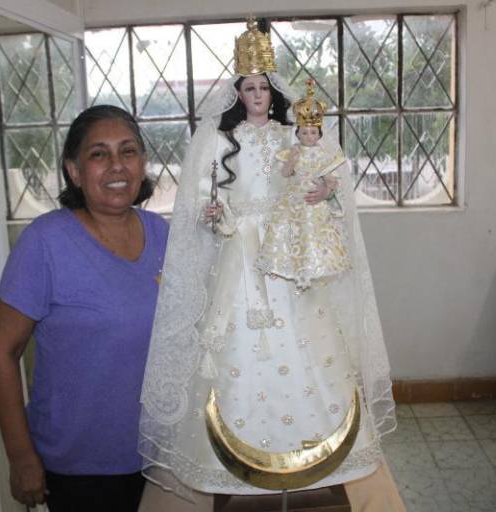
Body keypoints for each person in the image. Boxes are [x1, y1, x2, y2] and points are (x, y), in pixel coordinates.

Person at [138, 20, 403, 511]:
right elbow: (202, 201)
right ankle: (232, 464)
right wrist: (215, 215)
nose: (257, 95)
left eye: (263, 87)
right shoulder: (221, 139)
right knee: (237, 350)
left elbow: (326, 181)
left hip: (288, 252)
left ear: (271, 90)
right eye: (249, 88)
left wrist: (323, 192)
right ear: (238, 92)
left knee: (311, 347)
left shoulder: (293, 135)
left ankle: (316, 454)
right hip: (240, 255)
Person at [0, 105, 168, 511]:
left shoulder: (163, 234)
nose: (117, 166)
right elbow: (1, 352)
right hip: (80, 467)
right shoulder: (46, 241)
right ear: (74, 171)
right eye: (99, 154)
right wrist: (20, 456)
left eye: (128, 151)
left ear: (142, 163)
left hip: (159, 456)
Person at [254, 78, 351, 291]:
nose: (309, 136)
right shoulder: (292, 152)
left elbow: (332, 179)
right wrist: (291, 159)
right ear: (297, 132)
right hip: (293, 203)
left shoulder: (325, 155)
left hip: (314, 205)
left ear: (319, 134)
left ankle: (310, 271)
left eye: (313, 132)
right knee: (291, 237)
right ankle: (295, 271)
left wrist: (327, 189)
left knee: (314, 239)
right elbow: (285, 173)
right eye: (304, 132)